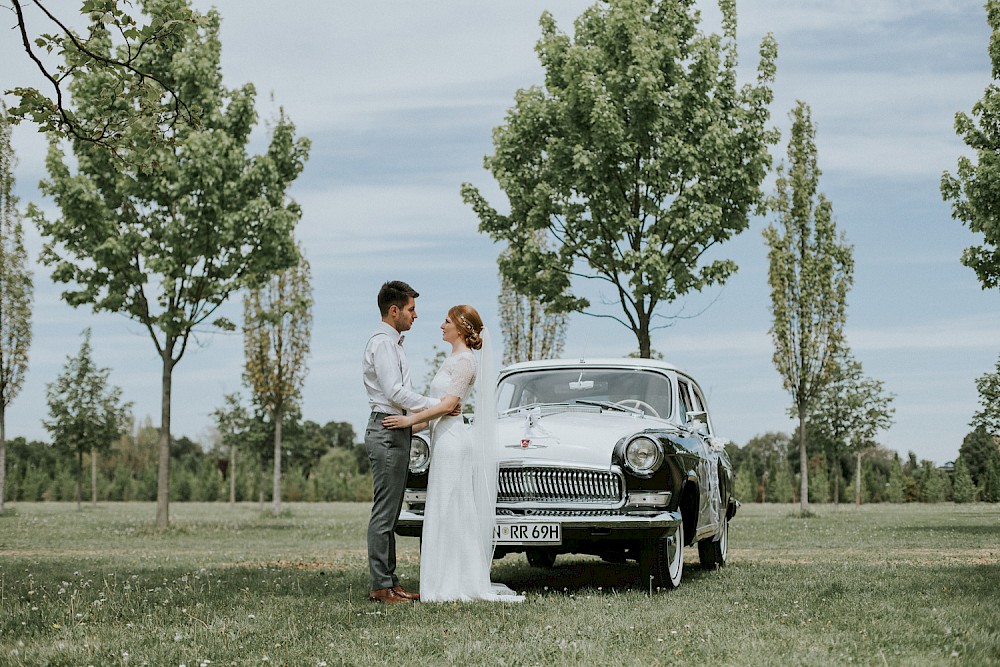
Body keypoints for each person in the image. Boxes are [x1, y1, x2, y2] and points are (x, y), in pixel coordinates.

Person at [383, 305, 523, 603]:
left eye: (446, 321)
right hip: (442, 437)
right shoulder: (453, 359)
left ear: (460, 327)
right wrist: (409, 428)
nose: (441, 325)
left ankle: (455, 584)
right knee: (444, 509)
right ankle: (443, 580)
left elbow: (448, 406)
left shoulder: (465, 362)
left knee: (452, 510)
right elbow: (440, 411)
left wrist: (408, 420)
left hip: (453, 443)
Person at [362, 280, 439, 604]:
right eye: (411, 309)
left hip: (397, 429)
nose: (415, 315)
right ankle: (381, 586)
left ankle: (391, 583)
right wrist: (435, 404)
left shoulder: (394, 345)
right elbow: (394, 391)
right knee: (385, 513)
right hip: (387, 430)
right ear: (394, 310)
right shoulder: (382, 344)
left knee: (391, 513)